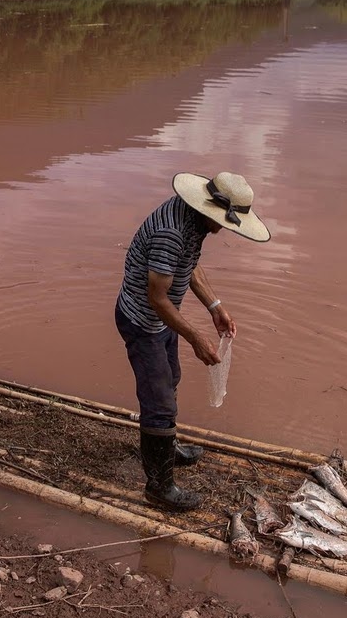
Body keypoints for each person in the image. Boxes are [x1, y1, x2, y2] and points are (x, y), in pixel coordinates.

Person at [115, 171, 270, 511]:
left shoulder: (192, 220)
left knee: (171, 379)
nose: (224, 229)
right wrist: (196, 337)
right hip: (143, 322)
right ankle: (159, 488)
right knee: (159, 403)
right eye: (223, 222)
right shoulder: (171, 232)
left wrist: (215, 307)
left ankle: (166, 448)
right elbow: (157, 297)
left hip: (162, 318)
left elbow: (191, 266)